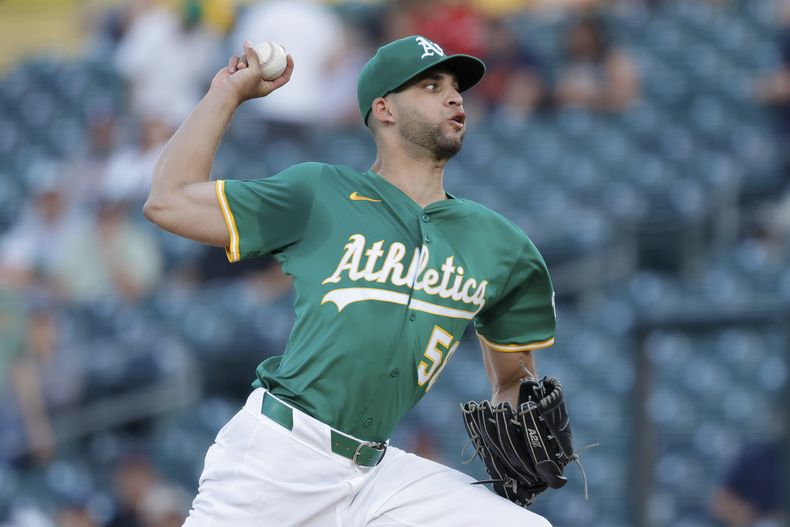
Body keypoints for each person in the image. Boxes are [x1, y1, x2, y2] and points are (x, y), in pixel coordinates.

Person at [144, 34, 557, 526]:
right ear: (383, 109)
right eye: (430, 85)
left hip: (377, 477)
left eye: (456, 87)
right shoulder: (320, 192)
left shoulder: (501, 245)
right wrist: (226, 94)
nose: (453, 96)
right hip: (280, 457)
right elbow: (168, 200)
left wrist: (516, 414)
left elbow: (513, 377)